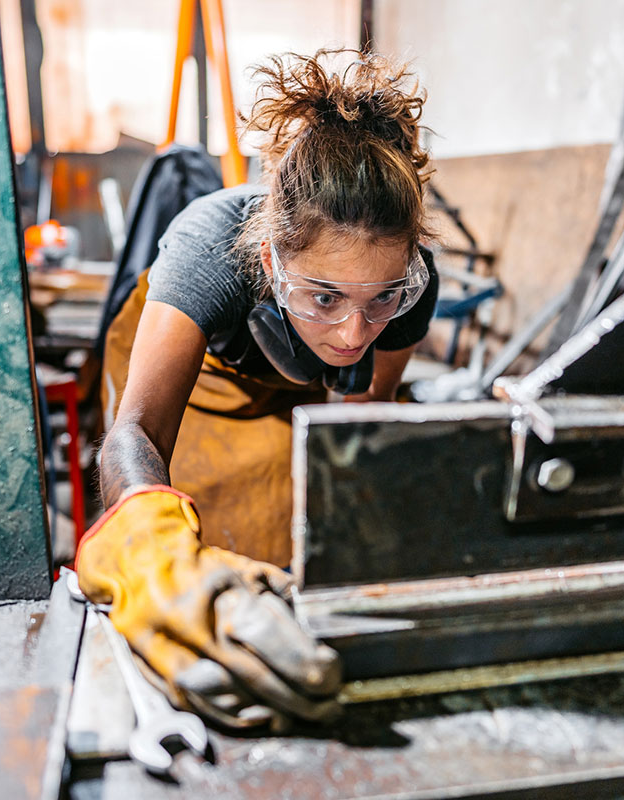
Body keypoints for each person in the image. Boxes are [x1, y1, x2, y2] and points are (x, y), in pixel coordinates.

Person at [76, 49, 438, 731]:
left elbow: (349, 435)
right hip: (206, 380)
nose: (354, 334)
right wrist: (150, 554)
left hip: (289, 390)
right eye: (324, 295)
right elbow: (137, 436)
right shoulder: (207, 250)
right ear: (272, 261)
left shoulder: (409, 289)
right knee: (204, 551)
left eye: (381, 298)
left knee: (288, 545)